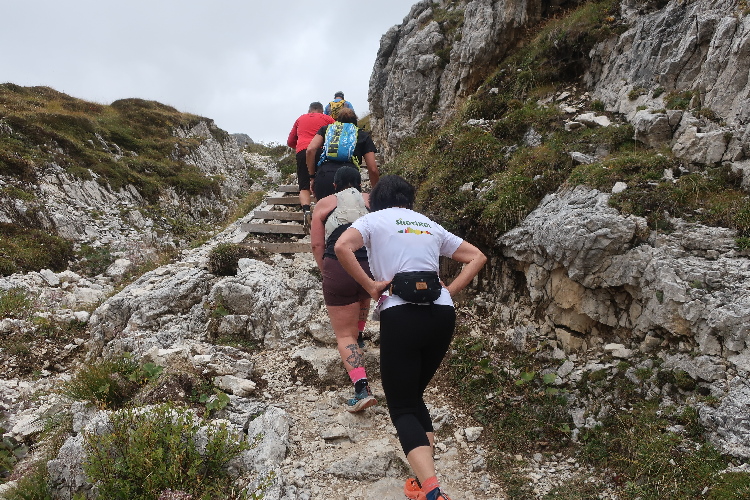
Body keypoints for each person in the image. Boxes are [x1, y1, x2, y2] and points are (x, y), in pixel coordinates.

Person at [334, 175, 487, 500]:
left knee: (402, 405)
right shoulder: (428, 224)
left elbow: (341, 246)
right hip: (442, 314)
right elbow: (477, 256)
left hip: (401, 313)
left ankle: (433, 492)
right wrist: (449, 291)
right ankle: (422, 481)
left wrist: (371, 287)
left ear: (376, 200)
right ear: (409, 200)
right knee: (414, 396)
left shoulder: (372, 220)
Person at [310, 166, 376, 412]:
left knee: (343, 335)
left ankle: (361, 388)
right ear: (360, 183)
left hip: (338, 265)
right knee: (362, 295)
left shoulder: (325, 203)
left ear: (335, 185)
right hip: (370, 265)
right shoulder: (372, 201)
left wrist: (325, 269)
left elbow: (317, 245)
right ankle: (359, 336)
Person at [306, 107, 380, 202]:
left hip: (325, 176)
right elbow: (373, 169)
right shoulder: (361, 134)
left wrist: (312, 177)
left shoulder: (326, 129)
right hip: (349, 178)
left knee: (324, 209)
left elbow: (310, 150)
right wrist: (376, 193)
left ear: (338, 120)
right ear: (355, 121)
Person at [287, 102, 335, 224]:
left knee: (304, 185)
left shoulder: (300, 119)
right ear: (322, 111)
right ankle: (323, 210)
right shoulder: (327, 118)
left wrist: (300, 146)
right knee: (321, 181)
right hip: (320, 150)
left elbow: (290, 141)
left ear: (309, 110)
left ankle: (306, 210)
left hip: (302, 151)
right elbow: (336, 136)